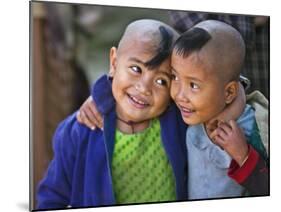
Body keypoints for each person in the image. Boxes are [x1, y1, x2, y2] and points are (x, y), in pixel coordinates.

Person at [77, 20, 268, 199]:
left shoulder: (256, 128)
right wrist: (101, 99)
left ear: (229, 92)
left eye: (193, 85)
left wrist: (243, 155)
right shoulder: (187, 112)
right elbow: (135, 88)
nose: (178, 94)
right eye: (174, 77)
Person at [36, 19, 188, 210]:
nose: (144, 88)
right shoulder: (79, 131)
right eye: (136, 69)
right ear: (114, 62)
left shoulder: (179, 122)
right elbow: (53, 195)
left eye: (161, 81)